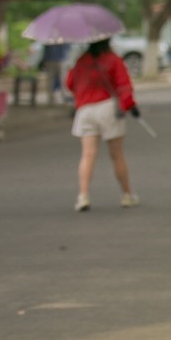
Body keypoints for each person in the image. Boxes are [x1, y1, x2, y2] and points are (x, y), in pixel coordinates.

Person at [65, 38, 141, 212]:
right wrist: (130, 105)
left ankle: (83, 195)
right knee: (117, 155)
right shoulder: (113, 59)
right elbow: (123, 85)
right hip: (107, 108)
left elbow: (70, 84)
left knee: (87, 154)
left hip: (84, 110)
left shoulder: (81, 61)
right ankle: (127, 195)